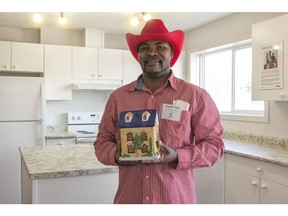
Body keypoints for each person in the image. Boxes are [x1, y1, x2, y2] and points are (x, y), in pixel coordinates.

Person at [94, 19, 224, 204]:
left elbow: (214, 146)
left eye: (160, 46)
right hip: (129, 200)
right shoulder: (118, 98)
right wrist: (118, 155)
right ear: (138, 55)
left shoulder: (195, 96)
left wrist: (178, 156)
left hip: (175, 200)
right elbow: (101, 143)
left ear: (172, 53)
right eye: (144, 48)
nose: (152, 52)